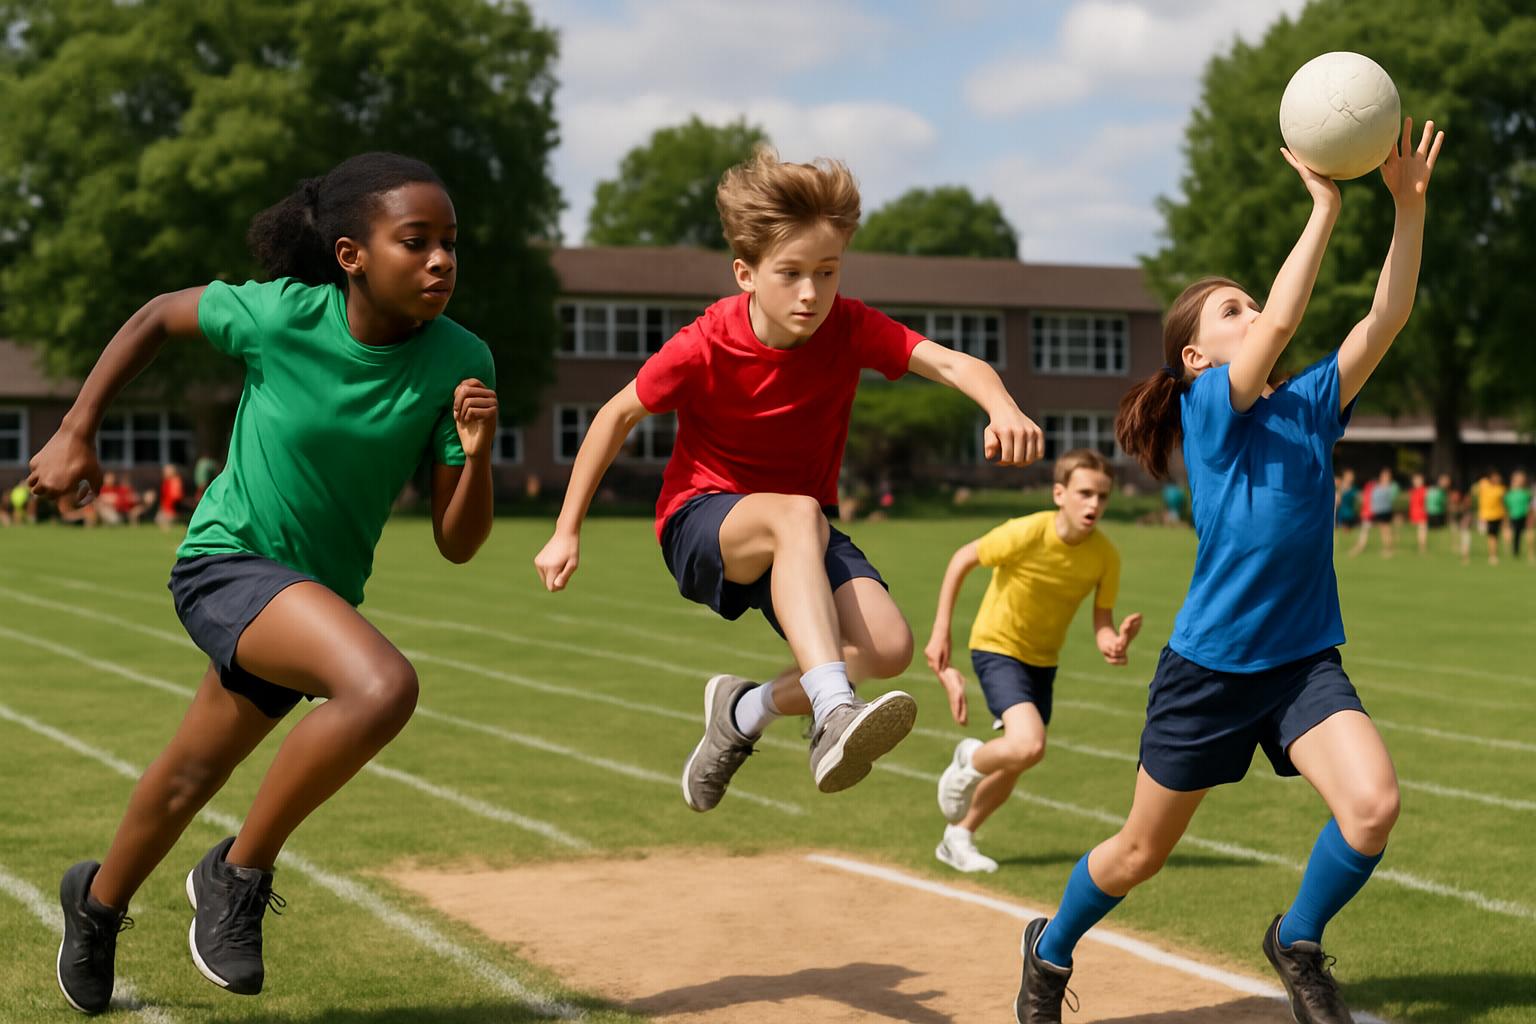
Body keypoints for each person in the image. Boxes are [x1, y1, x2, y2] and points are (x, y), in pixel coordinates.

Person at [28, 152, 498, 1014]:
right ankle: (236, 873)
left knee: (187, 775)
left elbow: (458, 542)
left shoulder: (460, 361)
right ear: (352, 255)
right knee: (382, 685)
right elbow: (156, 317)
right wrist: (75, 428)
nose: (441, 261)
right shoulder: (282, 316)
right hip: (228, 562)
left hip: (313, 600)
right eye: (416, 242)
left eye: (450, 244)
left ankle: (94, 906)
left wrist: (476, 454)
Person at [1013, 119, 1442, 1024]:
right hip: (1208, 670)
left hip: (1300, 662)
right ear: (1198, 359)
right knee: (1137, 854)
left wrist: (1408, 211)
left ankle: (1297, 940)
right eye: (1231, 311)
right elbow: (1286, 316)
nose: (1256, 314)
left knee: (1373, 806)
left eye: (1250, 302)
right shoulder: (1213, 408)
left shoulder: (1312, 404)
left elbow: (1386, 318)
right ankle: (1049, 952)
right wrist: (1324, 206)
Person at [532, 148, 1043, 810]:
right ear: (745, 273)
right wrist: (564, 530)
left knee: (886, 647)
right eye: (791, 274)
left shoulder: (849, 326)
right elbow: (615, 413)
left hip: (799, 528)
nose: (811, 293)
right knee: (799, 514)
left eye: (826, 273)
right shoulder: (704, 343)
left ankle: (743, 713)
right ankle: (833, 712)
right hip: (702, 521)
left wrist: (1003, 406)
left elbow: (949, 365)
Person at [925, 449, 1141, 874]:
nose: (1094, 504)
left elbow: (1101, 622)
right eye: (1084, 493)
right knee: (1028, 744)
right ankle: (968, 760)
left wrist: (1112, 642)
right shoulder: (1027, 532)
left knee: (1019, 758)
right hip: (997, 645)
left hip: (1043, 661)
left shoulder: (1104, 556)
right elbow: (961, 560)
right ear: (1059, 493)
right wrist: (940, 630)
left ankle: (958, 836)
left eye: (1102, 496)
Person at [1350, 467, 1398, 558]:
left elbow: (1392, 497)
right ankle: (1385, 548)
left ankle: (1389, 549)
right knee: (1380, 530)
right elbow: (1370, 497)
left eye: (1387, 475)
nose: (1385, 477)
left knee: (1386, 530)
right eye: (1383, 475)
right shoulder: (1377, 486)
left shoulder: (1391, 487)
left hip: (1385, 511)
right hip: (1376, 511)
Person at [1476, 470, 1506, 565]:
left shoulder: (1500, 489)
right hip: (1486, 515)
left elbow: (1503, 503)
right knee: (1491, 536)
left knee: (1495, 536)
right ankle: (1492, 555)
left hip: (1498, 515)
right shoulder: (1484, 485)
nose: (1496, 479)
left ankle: (1494, 554)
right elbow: (1481, 483)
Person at [1504, 470, 1530, 561]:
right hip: (1513, 516)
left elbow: (1529, 505)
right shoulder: (1510, 494)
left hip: (1523, 516)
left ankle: (1521, 551)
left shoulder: (1526, 493)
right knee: (1512, 533)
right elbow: (1506, 506)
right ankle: (1512, 549)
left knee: (1519, 535)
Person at [156, 463, 187, 531]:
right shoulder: (167, 481)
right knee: (160, 519)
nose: (164, 473)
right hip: (167, 505)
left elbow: (176, 496)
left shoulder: (175, 480)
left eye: (166, 471)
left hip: (172, 506)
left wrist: (170, 508)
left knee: (162, 519)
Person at [1406, 473, 1429, 555]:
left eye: (1419, 480)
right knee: (1420, 531)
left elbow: (1426, 502)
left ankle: (1422, 548)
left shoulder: (1425, 490)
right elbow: (1411, 504)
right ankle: (1421, 547)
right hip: (1416, 513)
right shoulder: (1412, 491)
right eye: (1415, 480)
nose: (1417, 482)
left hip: (1422, 513)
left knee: (1422, 531)